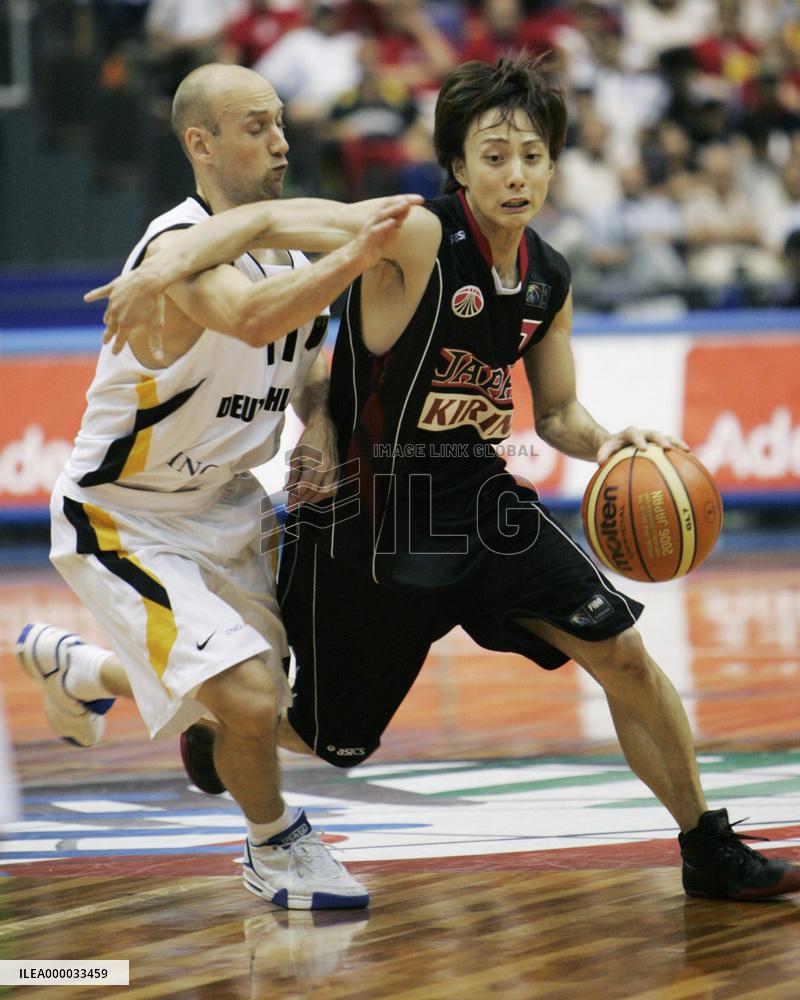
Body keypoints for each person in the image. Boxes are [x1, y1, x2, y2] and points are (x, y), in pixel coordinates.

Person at [29, 55, 800, 902]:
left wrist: (614, 440)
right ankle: (197, 726)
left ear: (554, 165)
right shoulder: (419, 232)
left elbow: (557, 414)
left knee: (621, 649)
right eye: (495, 154)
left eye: (533, 155)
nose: (517, 173)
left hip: (477, 500)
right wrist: (161, 267)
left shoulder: (549, 276)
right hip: (364, 515)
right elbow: (260, 223)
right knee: (325, 739)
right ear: (459, 166)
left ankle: (706, 845)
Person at [15, 62, 422, 911]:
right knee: (247, 696)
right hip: (125, 514)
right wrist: (360, 250)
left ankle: (81, 670)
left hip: (232, 505)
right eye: (254, 127)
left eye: (279, 122)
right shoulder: (175, 250)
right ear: (200, 143)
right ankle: (277, 847)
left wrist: (317, 422)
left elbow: (306, 356)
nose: (279, 142)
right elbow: (252, 318)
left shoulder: (278, 236)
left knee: (306, 719)